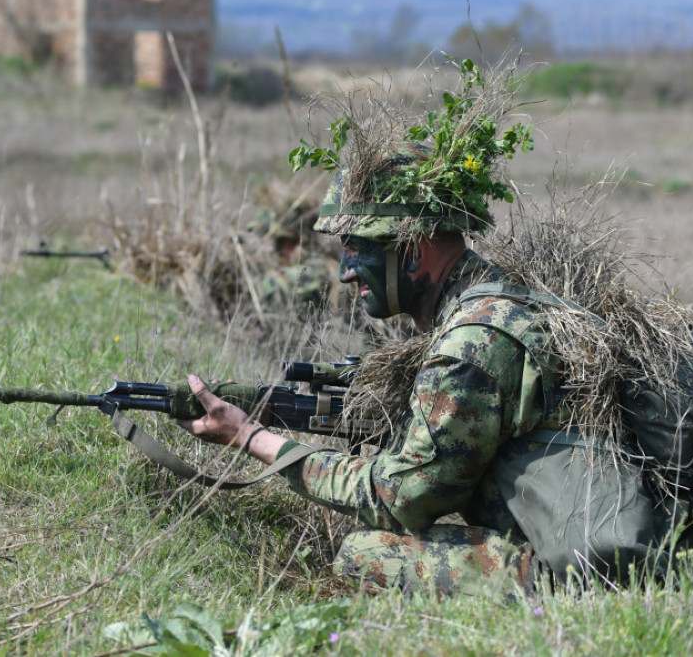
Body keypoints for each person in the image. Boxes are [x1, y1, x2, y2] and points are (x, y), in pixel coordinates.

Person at [178, 143, 575, 598]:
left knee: (366, 553)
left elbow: (404, 500)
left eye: (355, 249)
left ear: (411, 249)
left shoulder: (472, 343)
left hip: (577, 567)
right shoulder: (505, 295)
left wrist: (254, 439)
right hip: (578, 532)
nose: (346, 272)